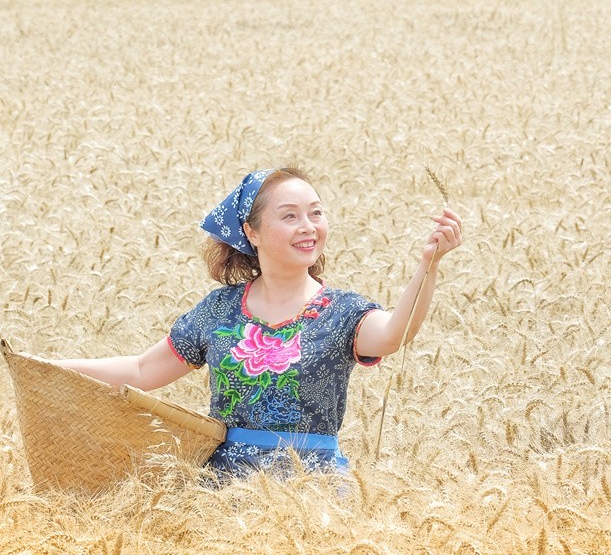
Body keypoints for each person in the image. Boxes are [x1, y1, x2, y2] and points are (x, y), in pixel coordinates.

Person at [58, 167, 462, 477]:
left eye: (316, 213)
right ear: (251, 232)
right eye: (290, 216)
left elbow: (394, 334)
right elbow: (142, 370)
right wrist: (48, 368)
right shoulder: (219, 310)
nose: (308, 226)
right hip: (222, 491)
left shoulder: (342, 311)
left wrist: (429, 265)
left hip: (314, 491)